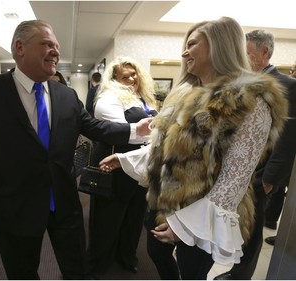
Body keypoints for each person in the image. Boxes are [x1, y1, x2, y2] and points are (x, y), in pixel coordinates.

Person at [0, 20, 151, 280]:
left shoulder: (66, 95)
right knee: (22, 272)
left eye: (56, 46)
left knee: (77, 269)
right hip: (15, 205)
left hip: (64, 202)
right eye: (47, 44)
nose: (56, 51)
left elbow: (95, 128)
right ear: (20, 48)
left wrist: (137, 130)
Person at [98, 17, 288, 280]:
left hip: (204, 215)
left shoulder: (251, 100)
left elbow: (235, 178)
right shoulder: (186, 93)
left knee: (191, 271)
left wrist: (186, 227)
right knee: (156, 253)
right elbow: (168, 148)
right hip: (166, 201)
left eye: (192, 44)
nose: (185, 52)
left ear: (217, 45)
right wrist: (124, 158)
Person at [213, 30, 296, 280]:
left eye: (247, 53)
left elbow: (287, 137)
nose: (243, 58)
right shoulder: (244, 82)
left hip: (261, 172)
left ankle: (241, 274)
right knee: (237, 220)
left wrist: (270, 178)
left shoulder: (288, 85)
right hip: (237, 167)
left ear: (264, 53)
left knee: (252, 224)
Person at [87, 57, 158, 276]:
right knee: (108, 219)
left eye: (134, 73)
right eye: (125, 76)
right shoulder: (109, 98)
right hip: (115, 166)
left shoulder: (143, 98)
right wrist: (152, 134)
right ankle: (97, 266)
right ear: (114, 79)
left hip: (141, 167)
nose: (132, 78)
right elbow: (119, 133)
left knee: (134, 217)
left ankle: (127, 257)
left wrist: (150, 133)